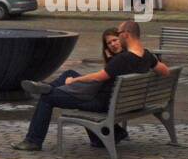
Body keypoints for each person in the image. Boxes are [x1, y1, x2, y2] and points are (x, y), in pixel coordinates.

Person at [13, 20, 169, 152]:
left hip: (101, 102)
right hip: (124, 103)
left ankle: (33, 140)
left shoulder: (123, 59)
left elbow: (99, 77)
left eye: (119, 34)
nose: (117, 38)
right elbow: (165, 71)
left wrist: (73, 82)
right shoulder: (147, 55)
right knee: (70, 74)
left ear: (126, 35)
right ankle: (112, 134)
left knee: (47, 98)